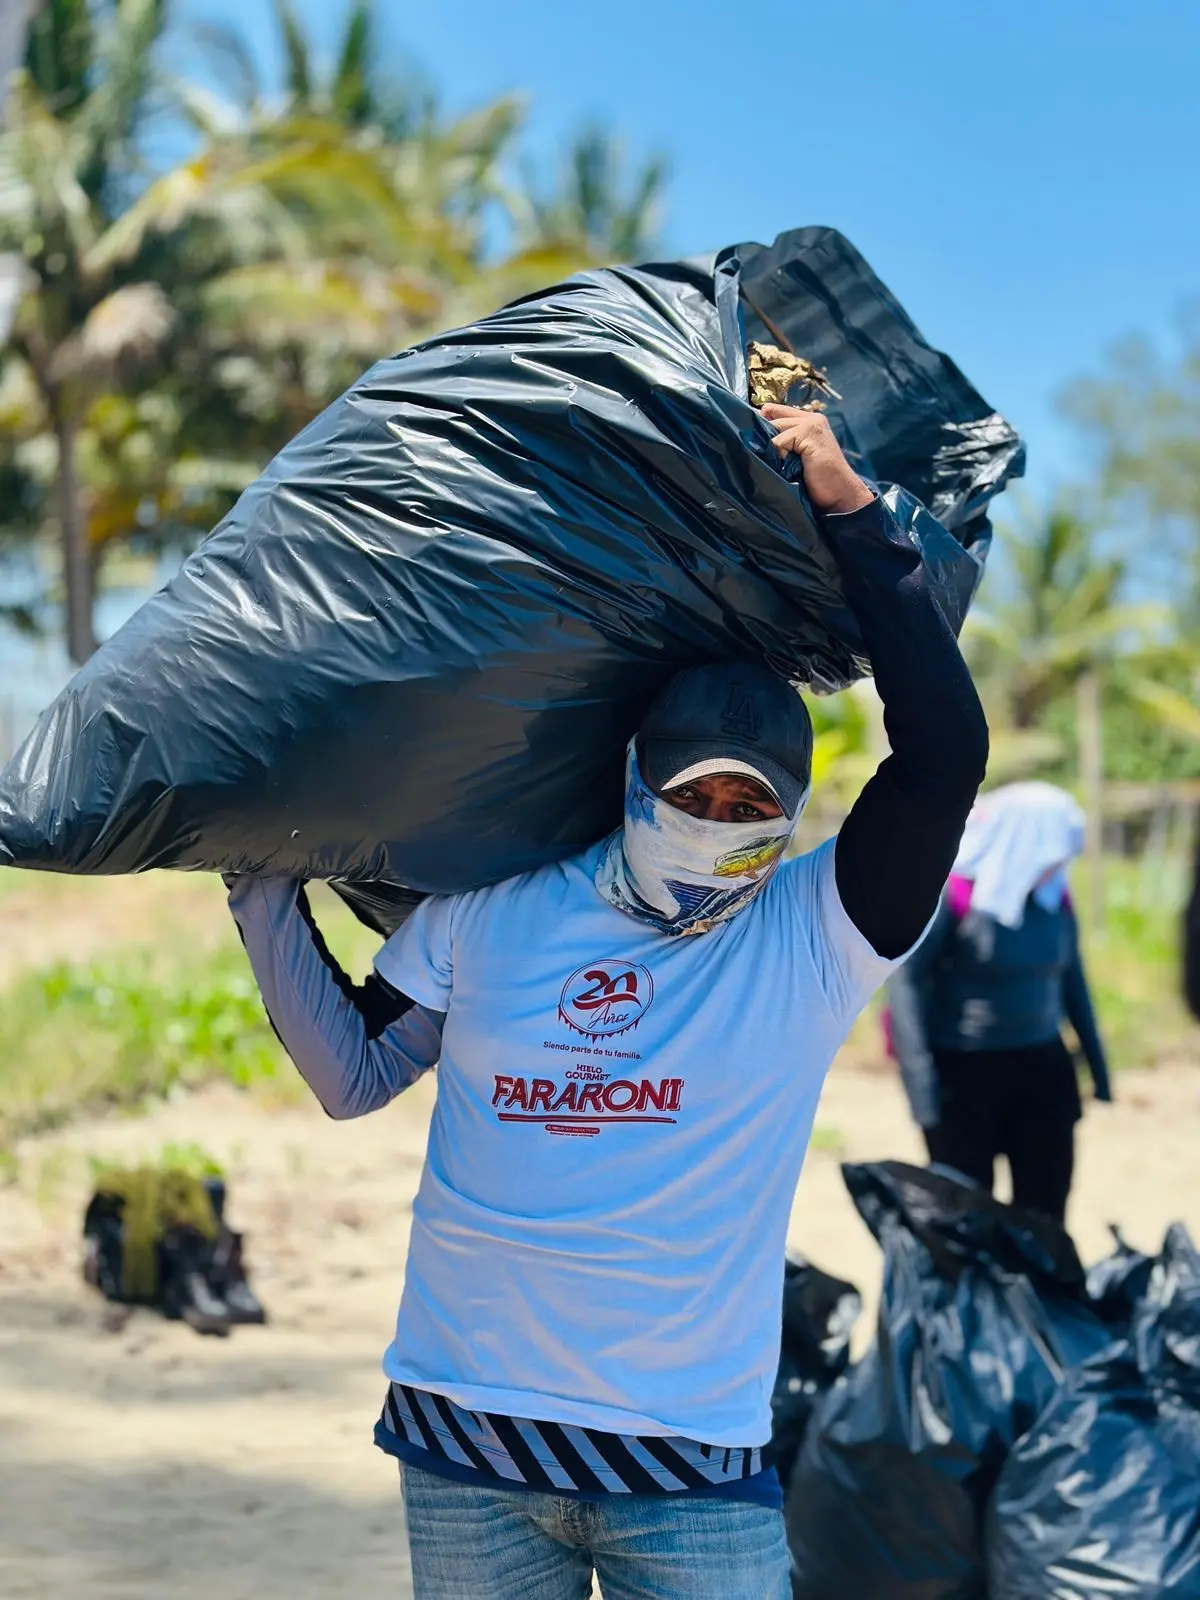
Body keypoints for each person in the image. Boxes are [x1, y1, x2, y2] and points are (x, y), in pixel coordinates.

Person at [226, 406, 988, 1600]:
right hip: (464, 1437)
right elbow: (354, 1074)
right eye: (695, 794)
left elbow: (942, 755)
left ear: (789, 817)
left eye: (751, 809)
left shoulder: (814, 933)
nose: (717, 827)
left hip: (690, 1468)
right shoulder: (505, 904)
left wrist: (851, 511)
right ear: (637, 778)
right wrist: (257, 878)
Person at [886, 781, 1112, 1226]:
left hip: (1043, 1071)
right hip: (965, 1077)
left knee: (1044, 1214)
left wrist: (1099, 1068)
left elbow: (1073, 981)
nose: (1061, 863)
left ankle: (1038, 1297)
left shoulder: (1055, 899)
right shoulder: (955, 896)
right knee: (968, 1220)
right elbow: (905, 985)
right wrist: (921, 1090)